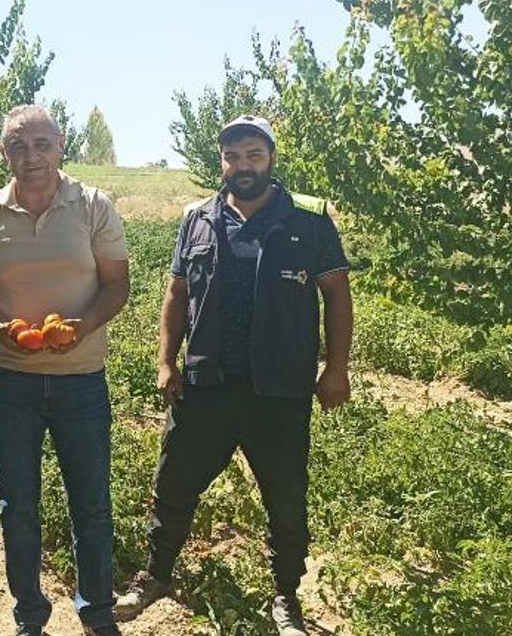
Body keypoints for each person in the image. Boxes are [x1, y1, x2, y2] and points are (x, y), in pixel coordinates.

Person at [112, 115, 353, 636]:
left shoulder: (309, 219)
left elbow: (337, 295)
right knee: (174, 485)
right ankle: (155, 576)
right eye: (233, 157)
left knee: (285, 495)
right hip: (206, 386)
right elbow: (177, 293)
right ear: (222, 162)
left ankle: (286, 595)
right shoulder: (198, 218)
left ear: (270, 158)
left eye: (253, 155)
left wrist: (336, 370)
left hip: (280, 390)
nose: (243, 166)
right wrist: (165, 361)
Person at [0, 104, 130, 636]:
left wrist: (82, 326)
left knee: (92, 502)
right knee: (17, 505)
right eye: (17, 146)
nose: (30, 156)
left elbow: (117, 285)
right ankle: (29, 614)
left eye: (40, 144)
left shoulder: (94, 206)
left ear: (61, 144)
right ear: (4, 153)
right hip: (10, 381)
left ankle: (97, 612)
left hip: (81, 377)